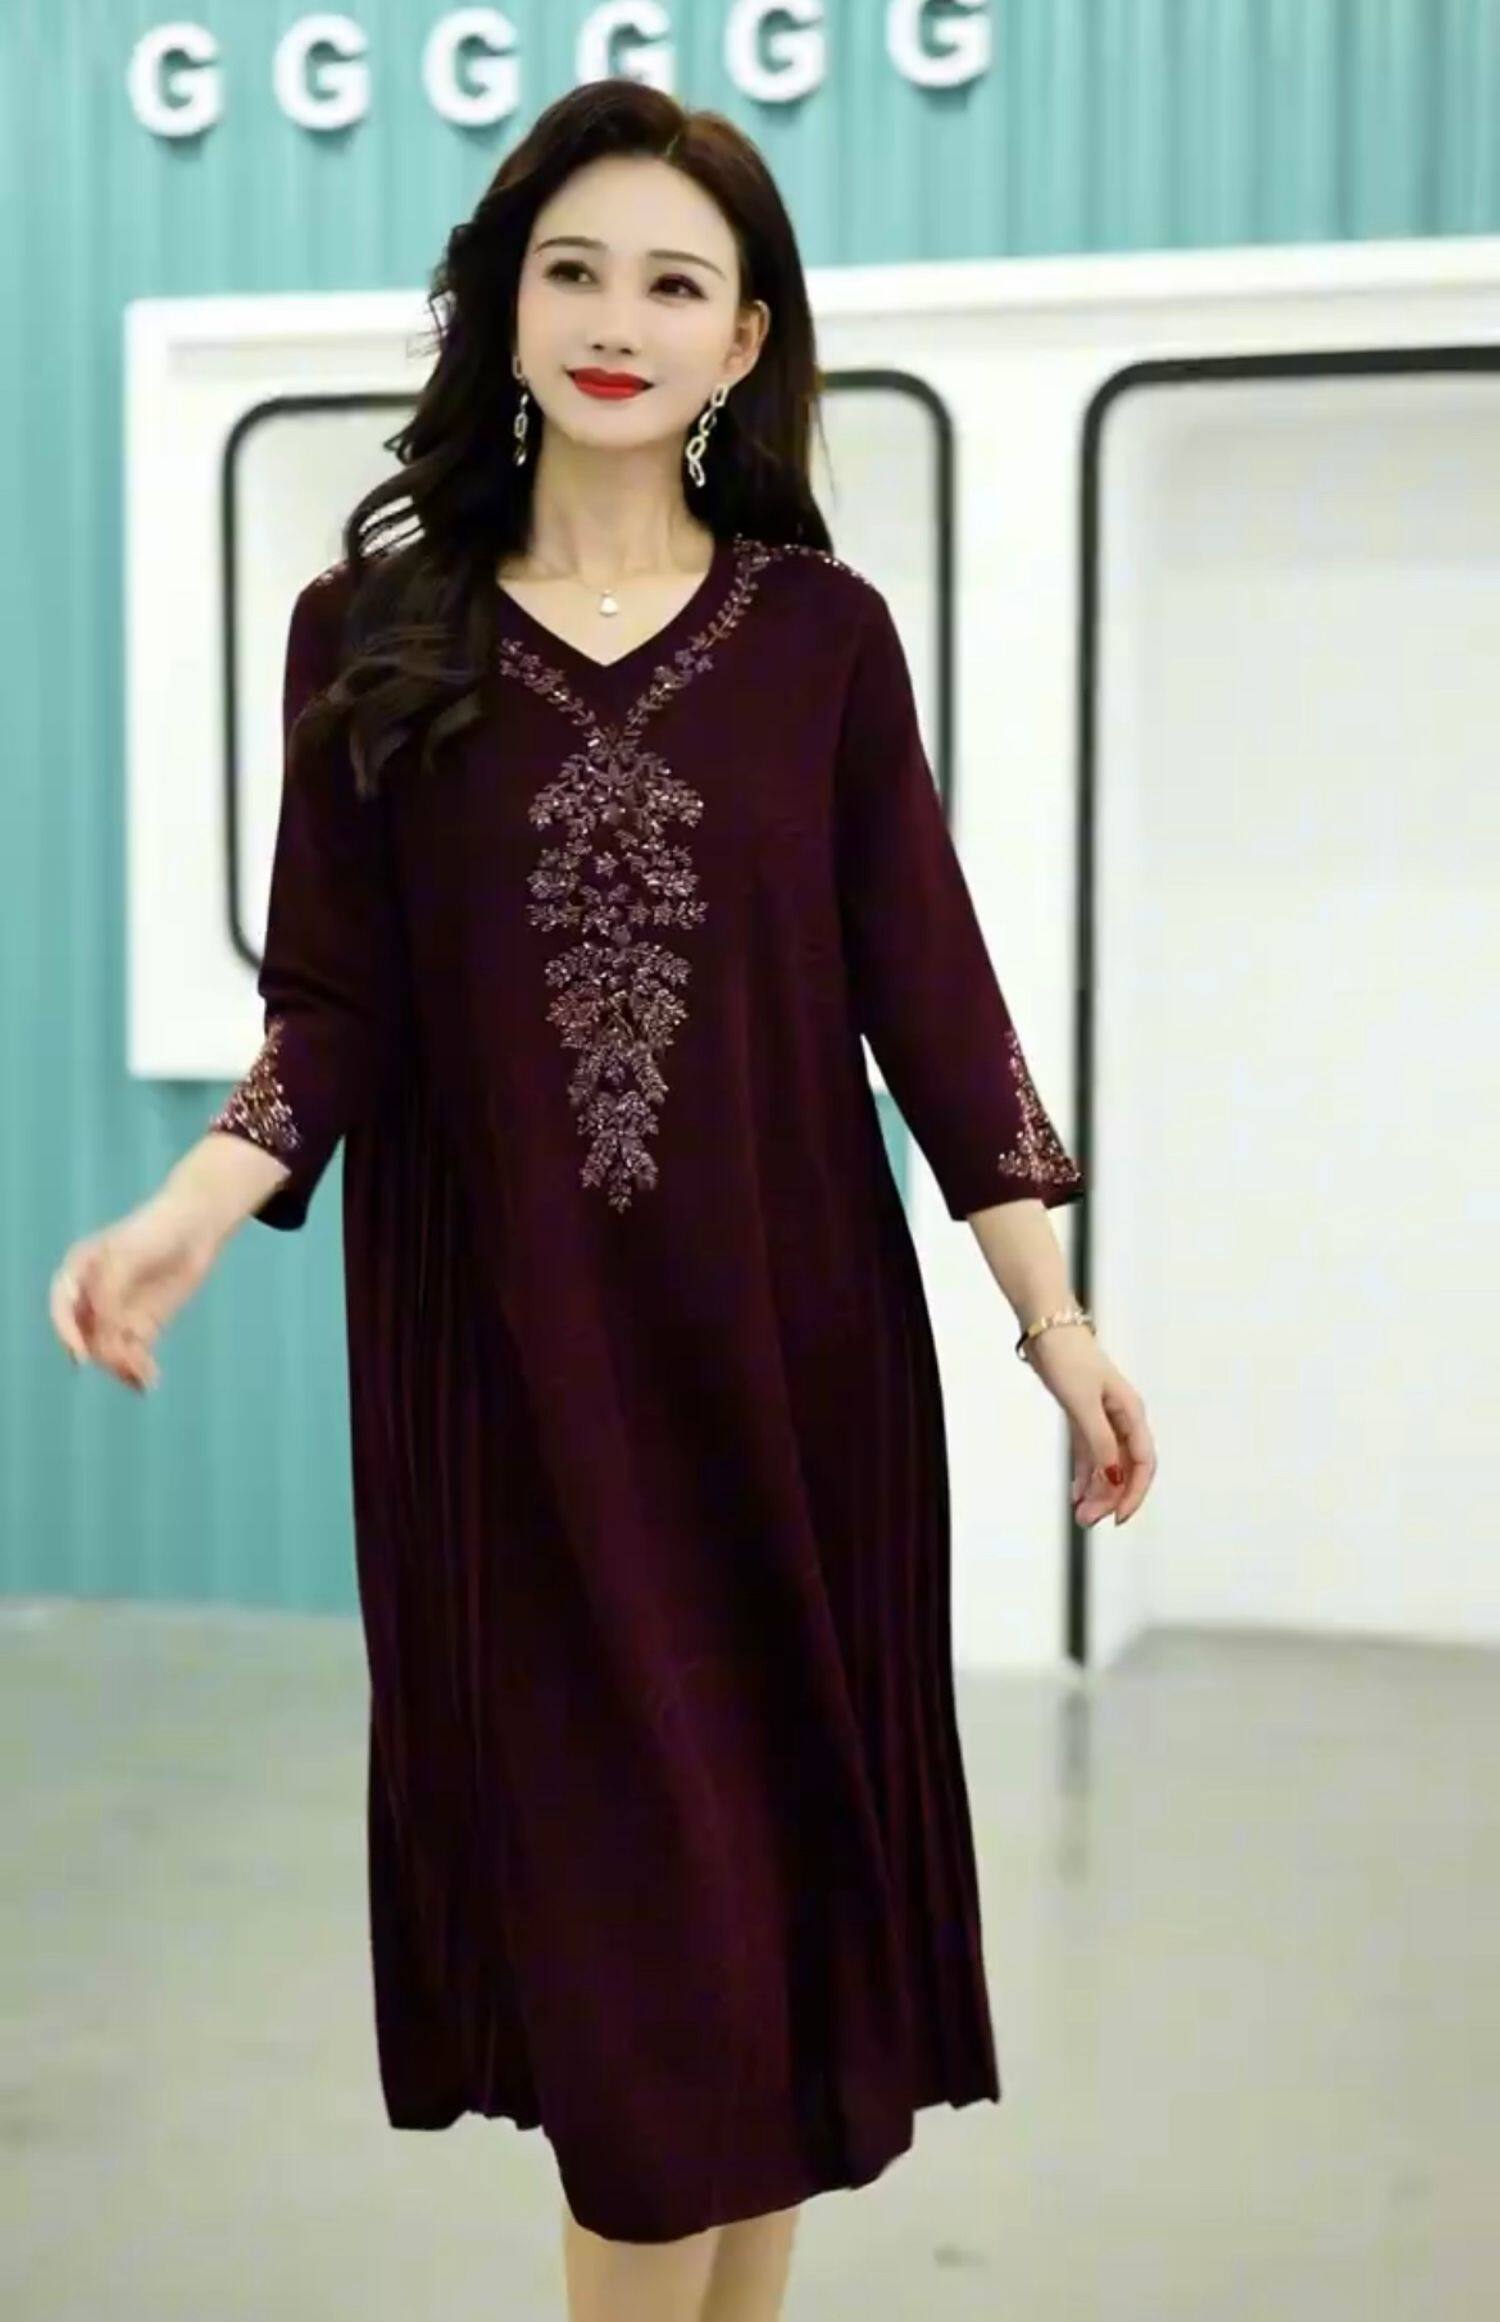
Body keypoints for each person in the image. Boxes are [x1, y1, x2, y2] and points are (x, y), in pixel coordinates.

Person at [48, 75, 1156, 2322]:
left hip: (788, 1377)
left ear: (745, 339)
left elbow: (934, 998)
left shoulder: (821, 638)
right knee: (641, 2005)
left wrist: (1053, 1319)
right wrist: (188, 1207)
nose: (616, 319)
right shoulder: (371, 632)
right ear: (502, 302)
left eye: (672, 282)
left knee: (766, 1964)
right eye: (573, 269)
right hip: (513, 1394)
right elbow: (334, 1003)